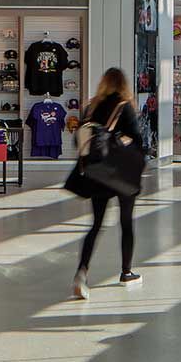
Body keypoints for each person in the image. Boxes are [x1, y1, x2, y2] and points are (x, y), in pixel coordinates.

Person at [71, 67, 144, 299]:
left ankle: (82, 272)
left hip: (97, 173)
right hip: (120, 173)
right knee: (126, 223)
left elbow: (79, 140)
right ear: (124, 85)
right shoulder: (124, 106)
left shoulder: (92, 107)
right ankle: (126, 271)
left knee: (96, 225)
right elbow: (138, 139)